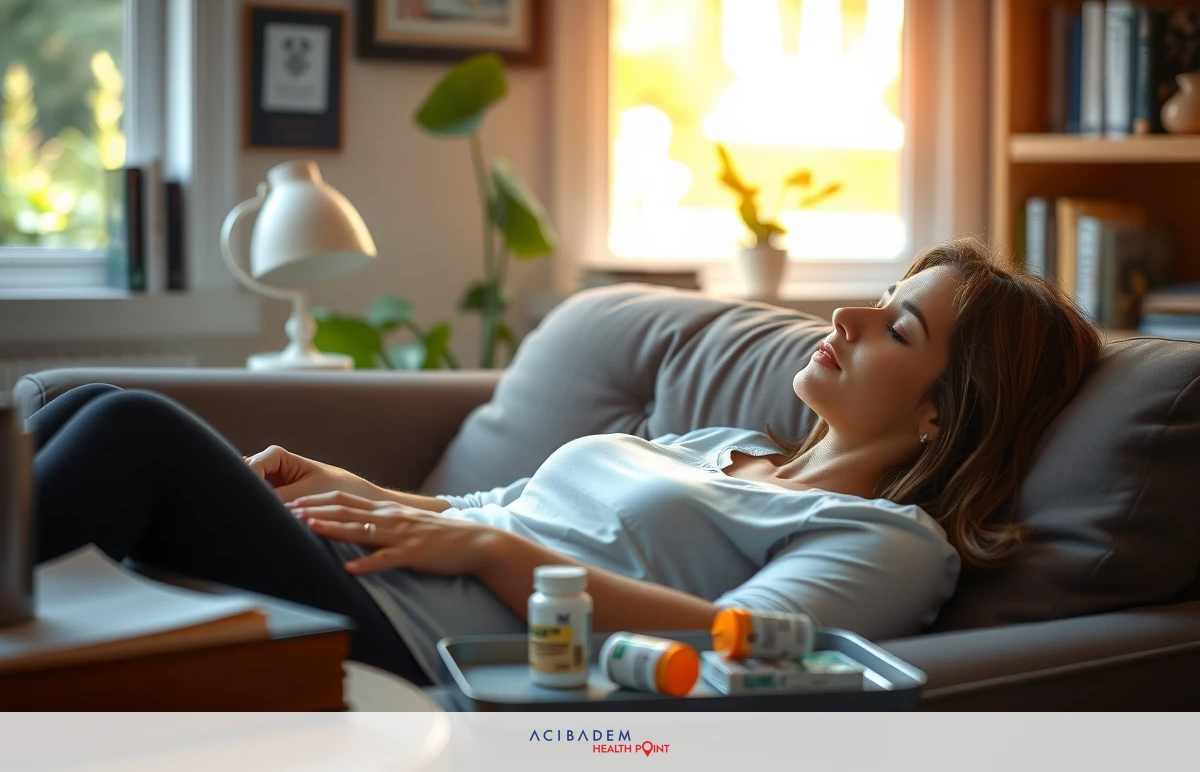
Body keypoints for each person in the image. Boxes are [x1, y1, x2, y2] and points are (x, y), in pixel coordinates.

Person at [29, 238, 1102, 686]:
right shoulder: (714, 446)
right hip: (376, 574)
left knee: (133, 432)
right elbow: (486, 504)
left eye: (897, 328)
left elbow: (764, 651)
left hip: (425, 655)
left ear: (939, 421)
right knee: (92, 398)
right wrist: (339, 485)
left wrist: (497, 557)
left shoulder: (885, 539)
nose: (847, 314)